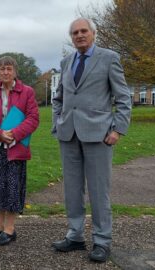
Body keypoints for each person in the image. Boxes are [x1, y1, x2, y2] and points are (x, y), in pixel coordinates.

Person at [51, 18, 132, 262]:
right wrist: (57, 122)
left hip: (99, 136)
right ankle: (75, 236)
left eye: (84, 31)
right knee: (72, 190)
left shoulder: (109, 58)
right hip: (69, 135)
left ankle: (102, 240)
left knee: (99, 191)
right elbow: (58, 99)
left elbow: (123, 98)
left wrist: (118, 130)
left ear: (93, 34)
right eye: (75, 33)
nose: (79, 35)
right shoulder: (66, 61)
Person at [0, 56, 39, 246]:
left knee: (11, 189)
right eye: (2, 69)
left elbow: (33, 118)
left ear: (15, 71)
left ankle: (10, 229)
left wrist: (14, 134)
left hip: (15, 148)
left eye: (9, 69)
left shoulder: (26, 92)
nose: (5, 72)